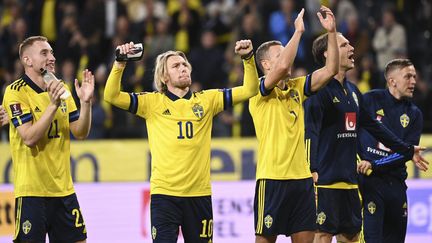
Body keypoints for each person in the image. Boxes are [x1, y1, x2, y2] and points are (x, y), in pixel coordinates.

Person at [104, 40, 258, 242]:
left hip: (199, 196)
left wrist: (248, 58)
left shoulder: (207, 100)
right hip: (164, 196)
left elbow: (250, 90)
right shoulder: (152, 103)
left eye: (185, 65)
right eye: (176, 66)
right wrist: (120, 64)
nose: (183, 68)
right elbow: (111, 96)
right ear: (164, 76)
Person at [305, 32, 428, 243]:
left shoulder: (353, 91)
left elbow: (375, 127)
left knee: (352, 236)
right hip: (326, 183)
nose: (352, 48)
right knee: (322, 235)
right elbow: (310, 132)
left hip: (352, 185)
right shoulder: (318, 89)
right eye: (344, 45)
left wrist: (407, 150)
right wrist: (312, 170)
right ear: (329, 53)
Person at [251, 6, 338, 243]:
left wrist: (331, 32)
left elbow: (331, 69)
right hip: (272, 180)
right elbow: (281, 69)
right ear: (266, 65)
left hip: (302, 180)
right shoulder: (258, 91)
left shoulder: (297, 87)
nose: (287, 58)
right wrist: (297, 32)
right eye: (280, 54)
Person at [1, 36, 94, 243]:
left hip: (63, 190)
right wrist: (52, 105)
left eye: (51, 52)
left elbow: (80, 132)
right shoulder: (15, 92)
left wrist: (86, 103)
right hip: (32, 192)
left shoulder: (61, 88)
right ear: (28, 60)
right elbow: (29, 137)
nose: (52, 57)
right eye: (44, 53)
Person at [357, 59, 427, 243]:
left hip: (397, 187)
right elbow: (351, 132)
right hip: (370, 185)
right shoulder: (369, 100)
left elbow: (405, 152)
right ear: (392, 81)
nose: (413, 81)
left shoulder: (415, 114)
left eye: (414, 76)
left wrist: (374, 163)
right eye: (408, 77)